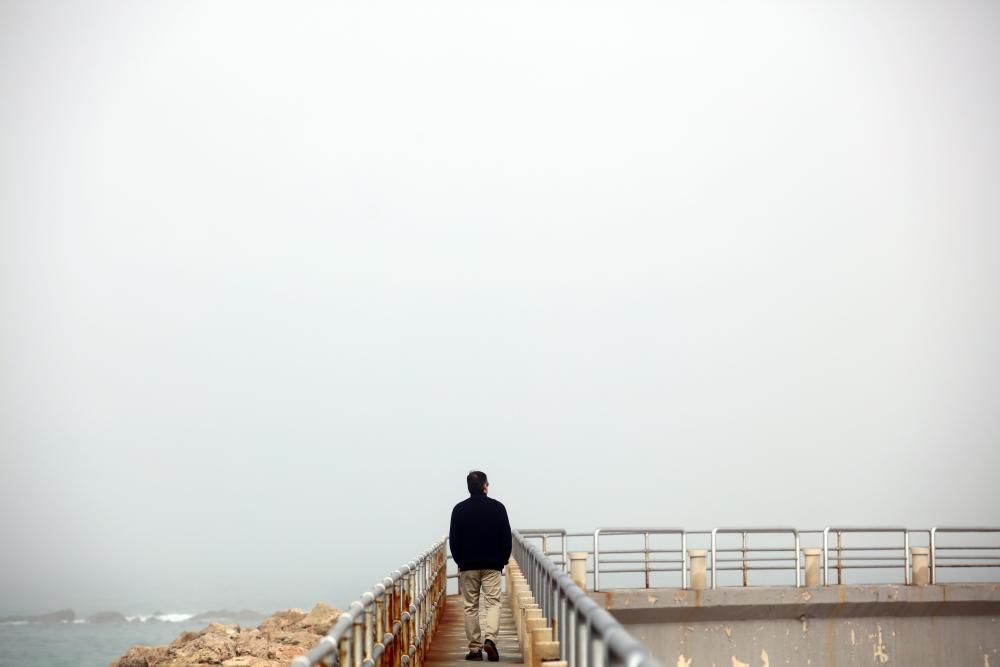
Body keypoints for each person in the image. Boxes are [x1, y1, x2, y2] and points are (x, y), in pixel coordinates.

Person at [449, 470, 512, 662]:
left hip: (468, 565)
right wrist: (502, 560)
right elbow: (506, 538)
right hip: (492, 564)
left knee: (471, 606)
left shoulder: (459, 509)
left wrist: (460, 561)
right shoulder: (498, 508)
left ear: (469, 487)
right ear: (485, 486)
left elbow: (454, 540)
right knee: (493, 602)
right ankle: (490, 640)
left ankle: (475, 650)